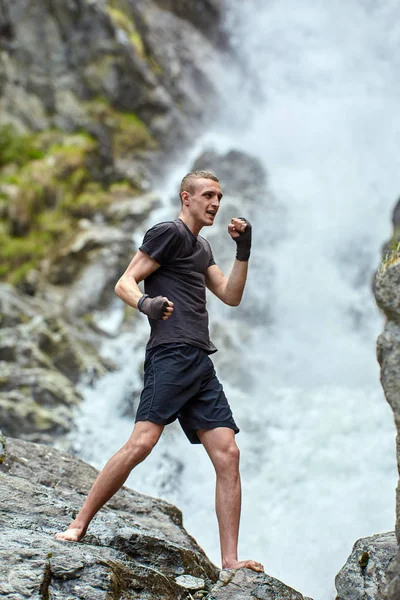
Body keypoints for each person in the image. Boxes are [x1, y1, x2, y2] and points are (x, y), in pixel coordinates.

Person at [56, 170, 264, 573]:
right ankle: (78, 525)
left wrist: (244, 250)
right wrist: (146, 305)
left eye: (219, 196)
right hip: (169, 355)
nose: (215, 203)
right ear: (186, 197)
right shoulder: (167, 231)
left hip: (200, 361)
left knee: (228, 454)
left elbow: (231, 296)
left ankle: (230, 560)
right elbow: (125, 281)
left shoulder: (203, 247)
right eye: (207, 195)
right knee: (142, 443)